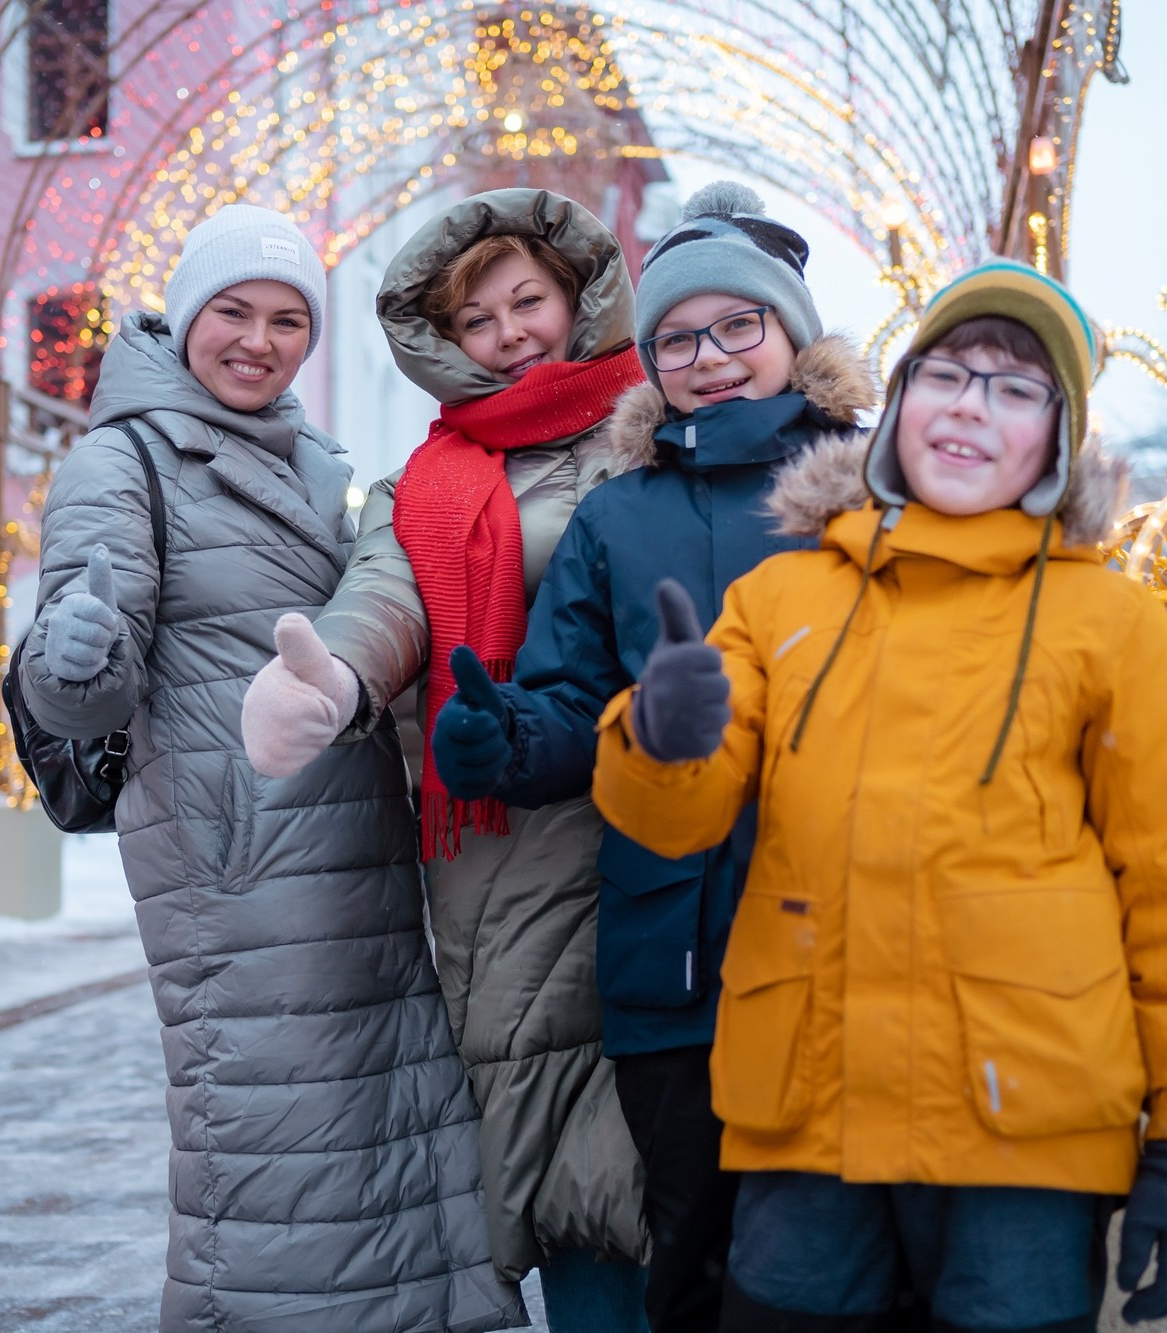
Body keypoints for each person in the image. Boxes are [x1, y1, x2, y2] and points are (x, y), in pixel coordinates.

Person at [590, 259, 1167, 1332]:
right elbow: (681, 814)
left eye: (1014, 388)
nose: (969, 408)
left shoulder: (1112, 624)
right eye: (946, 374)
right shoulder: (778, 595)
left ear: (1056, 437)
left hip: (1023, 1140)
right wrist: (661, 737)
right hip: (809, 1116)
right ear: (896, 404)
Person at [19, 204, 524, 1333]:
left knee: (393, 1129)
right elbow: (86, 689)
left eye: (287, 319)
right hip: (236, 873)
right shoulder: (123, 458)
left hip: (363, 857)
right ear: (188, 316)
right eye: (233, 313)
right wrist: (72, 653)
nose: (258, 340)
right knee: (272, 1156)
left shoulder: (320, 459)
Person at [427, 182, 876, 1333]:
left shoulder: (880, 490)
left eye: (738, 327)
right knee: (688, 1251)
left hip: (853, 939)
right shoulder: (615, 516)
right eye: (677, 337)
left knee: (845, 1261)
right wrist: (503, 736)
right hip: (671, 948)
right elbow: (570, 700)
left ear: (789, 336)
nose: (709, 357)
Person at [240, 189, 651, 1330]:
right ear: (444, 342)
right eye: (478, 320)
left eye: (529, 300)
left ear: (578, 299)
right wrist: (331, 677)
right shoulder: (427, 480)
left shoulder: (656, 427)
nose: (511, 331)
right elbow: (389, 597)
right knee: (557, 1127)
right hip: (507, 848)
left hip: (670, 812)